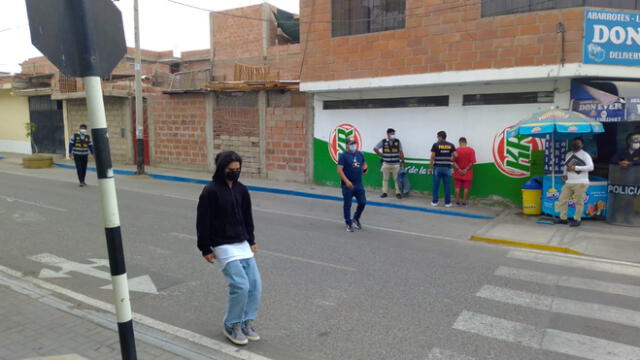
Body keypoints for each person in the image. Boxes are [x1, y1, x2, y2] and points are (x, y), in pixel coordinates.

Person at [196, 151, 262, 346]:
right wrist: (205, 248)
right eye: (231, 170)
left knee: (255, 285)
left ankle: (245, 322)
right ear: (221, 169)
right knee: (240, 285)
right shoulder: (210, 191)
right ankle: (231, 324)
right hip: (222, 244)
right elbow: (202, 221)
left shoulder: (242, 190)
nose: (235, 172)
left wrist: (251, 240)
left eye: (238, 169)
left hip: (241, 243)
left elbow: (247, 217)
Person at [557, 137, 594, 227]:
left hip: (581, 182)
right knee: (562, 199)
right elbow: (566, 166)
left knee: (578, 202)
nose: (575, 145)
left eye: (578, 143)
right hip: (569, 181)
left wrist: (576, 168)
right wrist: (564, 175)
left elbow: (591, 167)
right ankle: (563, 218)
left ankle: (577, 219)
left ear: (582, 145)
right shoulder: (568, 154)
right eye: (574, 143)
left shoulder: (585, 155)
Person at [338, 136, 368, 232]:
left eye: (354, 143)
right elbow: (339, 170)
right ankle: (348, 223)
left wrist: (365, 169)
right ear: (347, 145)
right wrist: (346, 182)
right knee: (348, 204)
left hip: (358, 184)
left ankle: (356, 218)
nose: (353, 145)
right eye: (351, 144)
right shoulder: (343, 156)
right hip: (348, 185)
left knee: (362, 202)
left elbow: (364, 164)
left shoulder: (359, 154)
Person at [373, 128, 405, 199]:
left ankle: (398, 193)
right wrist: (381, 154)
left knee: (397, 179)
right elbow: (375, 148)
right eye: (392, 134)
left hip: (396, 164)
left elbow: (401, 152)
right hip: (386, 164)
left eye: (394, 134)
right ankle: (384, 192)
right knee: (385, 179)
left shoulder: (397, 141)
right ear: (388, 134)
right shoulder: (383, 141)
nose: (393, 135)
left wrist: (402, 162)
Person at [429, 131, 456, 207]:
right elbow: (456, 155)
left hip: (438, 168)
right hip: (447, 168)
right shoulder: (451, 145)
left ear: (441, 137)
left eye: (438, 136)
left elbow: (432, 157)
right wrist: (448, 157)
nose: (437, 138)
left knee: (436, 186)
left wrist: (430, 167)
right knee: (447, 186)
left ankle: (435, 202)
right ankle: (447, 203)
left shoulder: (436, 145)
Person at [452, 137, 476, 206]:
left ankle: (457, 201)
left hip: (457, 172)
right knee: (466, 187)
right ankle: (464, 201)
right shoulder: (471, 150)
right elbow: (472, 162)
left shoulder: (456, 150)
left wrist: (459, 169)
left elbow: (453, 162)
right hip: (468, 172)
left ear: (460, 142)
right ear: (466, 142)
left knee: (457, 187)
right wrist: (465, 170)